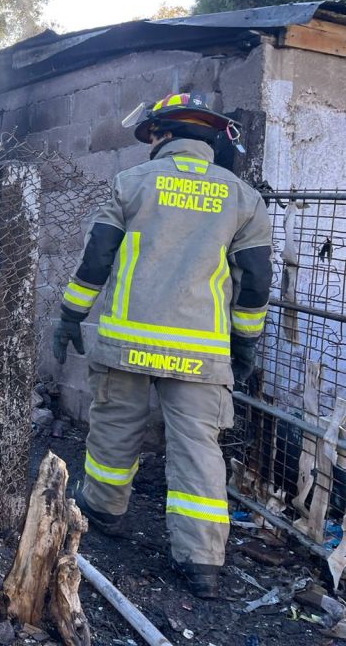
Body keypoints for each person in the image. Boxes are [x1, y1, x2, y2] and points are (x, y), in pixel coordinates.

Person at [52, 93, 272, 599]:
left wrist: (69, 316)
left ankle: (104, 512)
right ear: (210, 138)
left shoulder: (130, 183)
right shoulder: (243, 198)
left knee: (114, 428)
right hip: (200, 352)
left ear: (161, 134)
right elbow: (255, 281)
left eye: (150, 135)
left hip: (128, 343)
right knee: (198, 449)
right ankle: (201, 562)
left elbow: (95, 261)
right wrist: (245, 345)